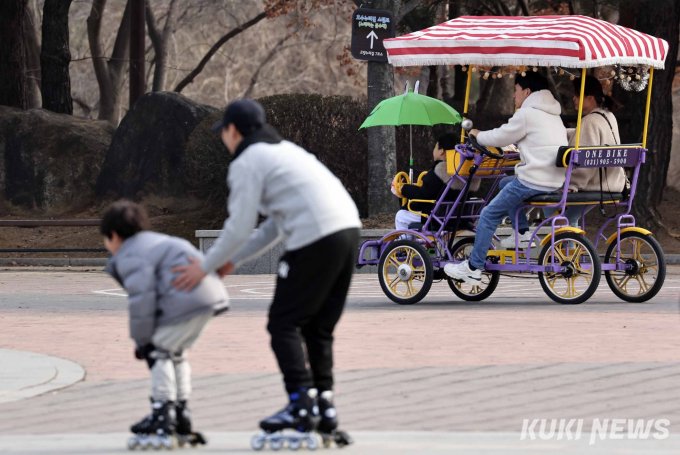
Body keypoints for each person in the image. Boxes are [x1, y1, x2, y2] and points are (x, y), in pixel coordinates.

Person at [171, 99, 361, 444]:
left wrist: (205, 266)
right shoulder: (287, 152)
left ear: (232, 130)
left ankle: (299, 404)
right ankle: (324, 407)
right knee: (318, 327)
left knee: (283, 323)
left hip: (315, 238)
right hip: (348, 232)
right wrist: (232, 261)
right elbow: (272, 227)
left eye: (223, 134)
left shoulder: (247, 160)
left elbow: (239, 226)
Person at [102, 201, 228, 448]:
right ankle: (181, 413)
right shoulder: (157, 241)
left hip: (187, 302)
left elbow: (142, 299)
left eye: (105, 240)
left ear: (114, 236)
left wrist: (141, 340)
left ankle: (163, 412)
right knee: (176, 353)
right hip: (210, 296)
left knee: (158, 350)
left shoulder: (131, 253)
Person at [444, 72, 567, 284]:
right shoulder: (553, 114)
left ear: (527, 92)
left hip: (532, 180)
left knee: (488, 214)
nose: (513, 95)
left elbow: (502, 135)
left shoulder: (527, 113)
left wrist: (477, 135)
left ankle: (473, 268)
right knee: (504, 183)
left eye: (515, 90)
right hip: (554, 180)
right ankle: (522, 233)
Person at [548, 76, 624, 227]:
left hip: (595, 185)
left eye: (577, 95)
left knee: (549, 199)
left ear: (589, 98)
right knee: (569, 218)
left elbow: (583, 162)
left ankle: (560, 244)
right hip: (613, 183)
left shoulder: (588, 122)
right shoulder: (608, 116)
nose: (573, 98)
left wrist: (572, 185)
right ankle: (571, 247)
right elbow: (582, 136)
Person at [393, 133, 480, 231]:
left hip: (438, 218)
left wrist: (404, 189)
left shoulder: (439, 170)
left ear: (441, 151)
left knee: (401, 216)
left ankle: (406, 245)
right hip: (460, 218)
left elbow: (423, 194)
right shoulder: (466, 172)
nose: (433, 150)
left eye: (435, 147)